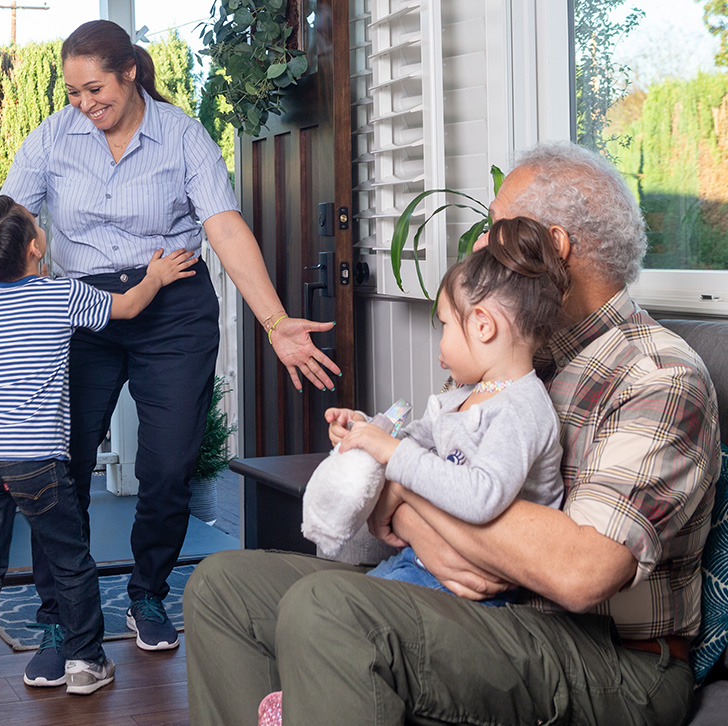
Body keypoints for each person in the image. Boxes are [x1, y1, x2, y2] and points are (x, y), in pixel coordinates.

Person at [184, 141, 721, 726]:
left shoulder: (656, 375)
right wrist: (409, 498)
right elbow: (398, 488)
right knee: (221, 589)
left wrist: (410, 492)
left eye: (497, 229)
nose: (482, 248)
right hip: (489, 614)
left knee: (330, 608)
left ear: (556, 245)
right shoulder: (507, 360)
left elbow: (581, 572)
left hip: (610, 659)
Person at [0, 19, 340, 685]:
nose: (84, 104)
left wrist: (272, 321)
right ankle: (60, 619)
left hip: (173, 308)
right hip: (82, 308)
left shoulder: (181, 135)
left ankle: (148, 592)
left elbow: (224, 225)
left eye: (95, 89)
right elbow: (2, 226)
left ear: (129, 73)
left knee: (170, 462)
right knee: (57, 466)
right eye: (71, 93)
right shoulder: (53, 138)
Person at [0, 195, 197, 712]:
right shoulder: (62, 294)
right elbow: (129, 306)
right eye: (36, 222)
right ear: (37, 245)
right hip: (35, 458)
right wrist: (158, 275)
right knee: (70, 558)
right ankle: (85, 662)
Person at [335, 216, 568, 605]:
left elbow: (482, 496)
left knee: (338, 614)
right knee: (330, 608)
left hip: (474, 594)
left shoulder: (521, 408)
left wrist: (394, 455)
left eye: (444, 325)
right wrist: (368, 432)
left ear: (482, 326)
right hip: (421, 563)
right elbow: (414, 438)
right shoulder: (467, 395)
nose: (440, 346)